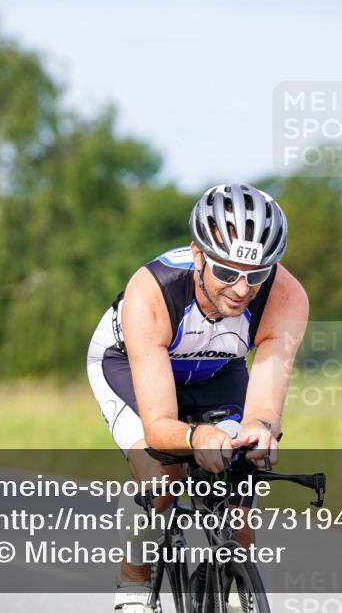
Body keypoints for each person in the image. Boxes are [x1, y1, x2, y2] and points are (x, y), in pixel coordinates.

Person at [86, 183, 309, 612]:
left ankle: (226, 588)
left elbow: (263, 411)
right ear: (197, 254)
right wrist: (195, 438)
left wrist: (260, 433)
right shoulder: (153, 291)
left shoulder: (286, 297)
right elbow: (159, 425)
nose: (242, 289)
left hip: (217, 370)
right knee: (161, 476)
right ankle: (133, 582)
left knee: (239, 511)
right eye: (226, 273)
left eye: (257, 275)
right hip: (129, 365)